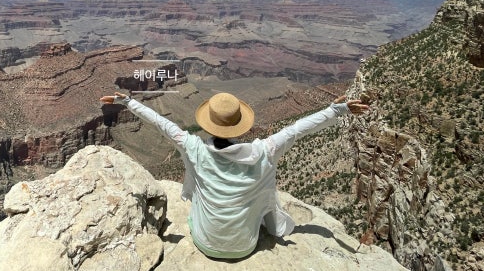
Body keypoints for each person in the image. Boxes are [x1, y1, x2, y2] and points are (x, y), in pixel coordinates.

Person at [100, 90, 369, 260]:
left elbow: (162, 125)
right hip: (245, 246)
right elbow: (297, 129)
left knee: (197, 209)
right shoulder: (265, 150)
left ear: (209, 124)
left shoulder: (193, 147)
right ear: (240, 125)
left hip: (205, 243)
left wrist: (129, 102)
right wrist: (336, 110)